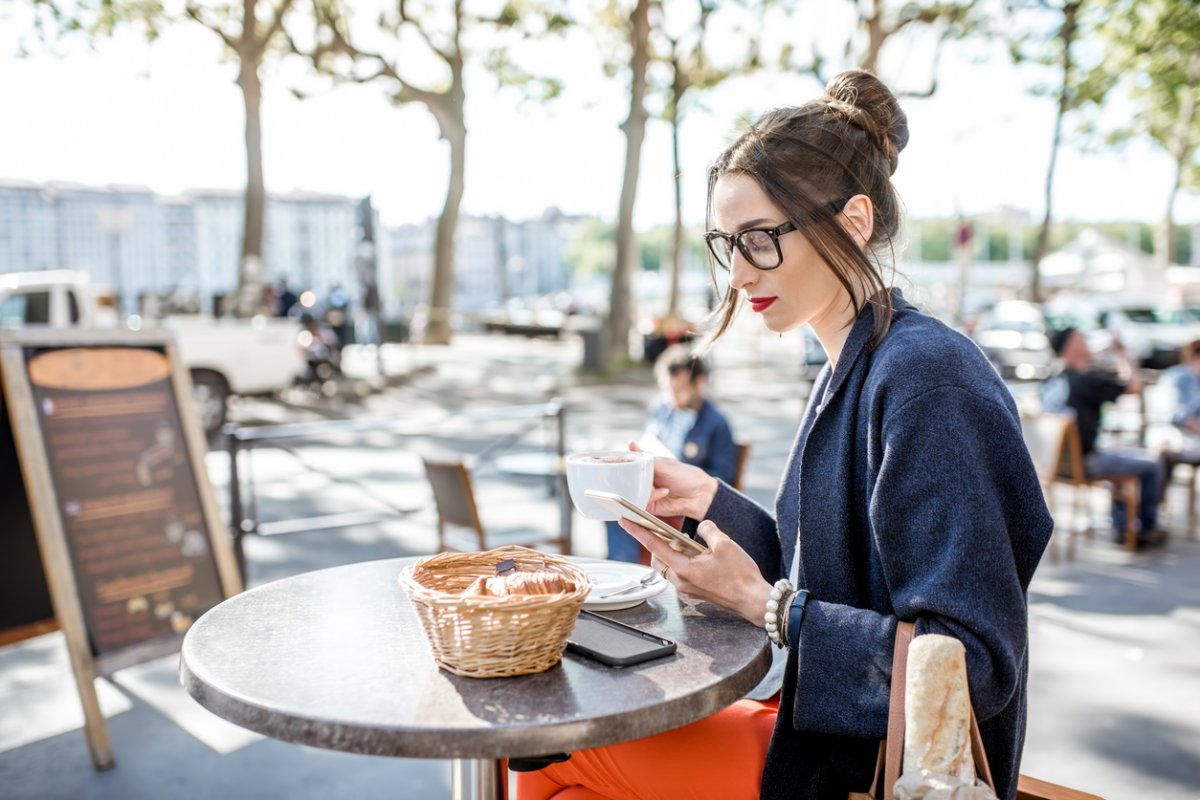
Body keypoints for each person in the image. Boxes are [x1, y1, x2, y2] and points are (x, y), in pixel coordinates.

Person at [517, 71, 1052, 800]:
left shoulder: (927, 381)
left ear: (853, 222)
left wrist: (764, 606)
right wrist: (708, 501)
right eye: (726, 245)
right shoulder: (856, 364)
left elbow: (968, 668)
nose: (738, 274)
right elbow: (826, 577)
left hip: (870, 771)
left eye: (760, 240)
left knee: (552, 752)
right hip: (818, 735)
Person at [605, 345, 738, 563]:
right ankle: (624, 567)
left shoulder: (716, 424)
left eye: (680, 389)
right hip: (655, 490)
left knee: (623, 509)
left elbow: (723, 479)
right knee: (614, 502)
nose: (673, 397)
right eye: (668, 389)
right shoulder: (662, 407)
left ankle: (625, 567)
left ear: (700, 383)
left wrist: (683, 477)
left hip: (683, 507)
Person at [1043, 327, 1165, 545]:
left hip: (1054, 467)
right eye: (1083, 339)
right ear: (1072, 346)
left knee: (1117, 456)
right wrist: (1122, 354)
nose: (1089, 343)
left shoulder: (1051, 379)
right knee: (1152, 463)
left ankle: (1122, 525)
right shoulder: (1084, 381)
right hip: (1085, 463)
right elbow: (1134, 386)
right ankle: (1145, 530)